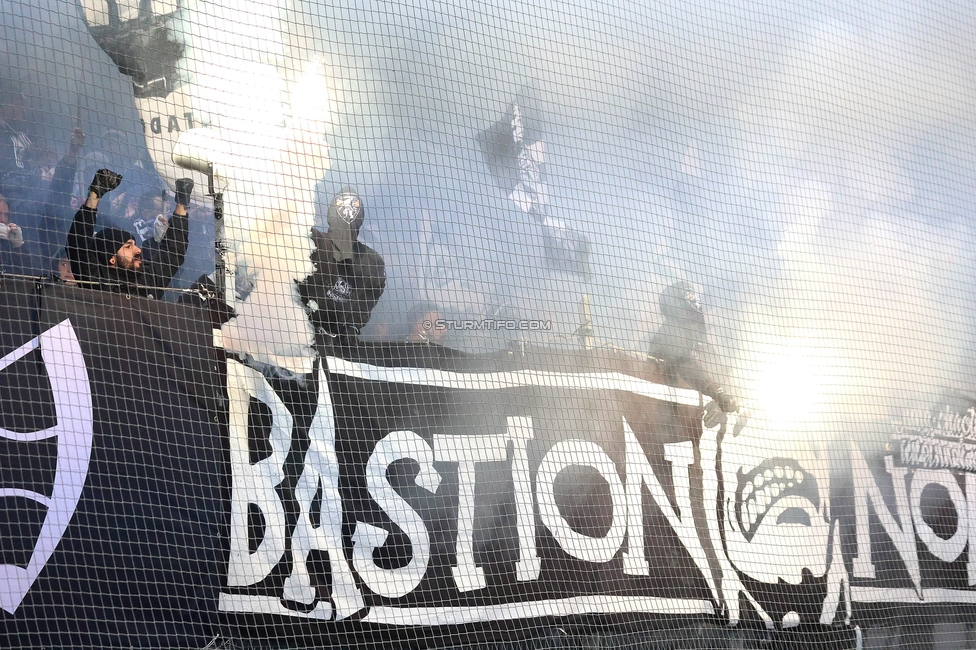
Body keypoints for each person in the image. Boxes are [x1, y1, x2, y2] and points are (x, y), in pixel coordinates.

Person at [66, 168, 192, 297]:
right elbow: (78, 244)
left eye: (134, 244)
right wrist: (95, 194)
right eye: (127, 246)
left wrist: (181, 204)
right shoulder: (97, 280)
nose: (138, 250)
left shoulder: (148, 280)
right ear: (112, 259)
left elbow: (173, 253)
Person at [298, 187, 386, 340]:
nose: (348, 214)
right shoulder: (309, 242)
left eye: (353, 209)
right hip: (294, 341)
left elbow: (368, 300)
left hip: (338, 354)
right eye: (343, 207)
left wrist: (352, 327)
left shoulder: (372, 264)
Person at [649, 280, 738, 421]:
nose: (696, 303)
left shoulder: (699, 342)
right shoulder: (667, 336)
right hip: (668, 420)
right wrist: (718, 394)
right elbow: (686, 367)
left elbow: (720, 370)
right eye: (689, 297)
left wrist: (729, 395)